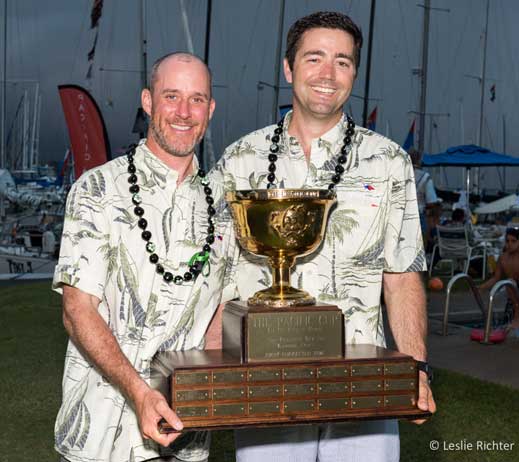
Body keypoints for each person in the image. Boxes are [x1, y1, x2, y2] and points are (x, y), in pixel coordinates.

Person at [213, 11, 436, 462]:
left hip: (362, 384)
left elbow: (402, 274)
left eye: (343, 61)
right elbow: (221, 276)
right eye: (314, 58)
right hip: (265, 383)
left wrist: (417, 368)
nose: (328, 75)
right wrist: (213, 370)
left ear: (355, 72)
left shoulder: (388, 161)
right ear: (288, 68)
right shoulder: (239, 159)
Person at [53, 52, 236, 462]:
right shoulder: (97, 190)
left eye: (197, 99)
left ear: (211, 108)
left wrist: (216, 385)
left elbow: (218, 314)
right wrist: (140, 394)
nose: (184, 113)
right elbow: (77, 310)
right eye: (171, 97)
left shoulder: (224, 207)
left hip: (183, 441)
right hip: (98, 439)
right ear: (148, 102)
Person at [478, 225, 519, 330]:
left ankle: (516, 319)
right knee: (504, 287)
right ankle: (490, 325)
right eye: (507, 241)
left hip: (514, 291)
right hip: (513, 292)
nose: (510, 244)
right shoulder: (503, 258)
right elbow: (496, 278)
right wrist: (481, 287)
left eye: (513, 241)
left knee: (510, 283)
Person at [409, 148, 440, 247]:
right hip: (418, 216)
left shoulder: (399, 174)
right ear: (419, 160)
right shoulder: (425, 177)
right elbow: (432, 201)